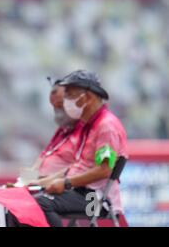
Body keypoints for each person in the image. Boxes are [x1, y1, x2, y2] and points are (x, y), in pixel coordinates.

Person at [7, 70, 128, 227]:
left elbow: (104, 170)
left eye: (70, 96)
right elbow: (73, 168)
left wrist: (66, 183)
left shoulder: (106, 126)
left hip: (96, 199)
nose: (65, 103)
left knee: (39, 205)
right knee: (18, 209)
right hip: (76, 190)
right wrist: (32, 181)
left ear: (87, 98)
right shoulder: (87, 126)